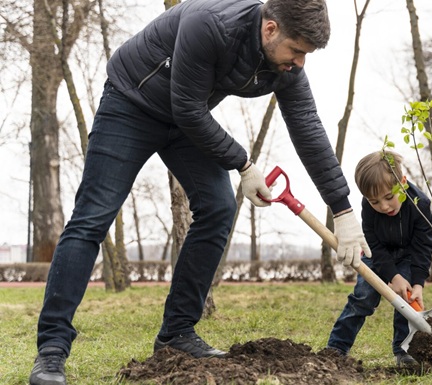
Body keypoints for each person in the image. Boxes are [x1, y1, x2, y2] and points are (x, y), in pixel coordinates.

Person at [29, 1, 371, 384]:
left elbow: (307, 127)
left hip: (186, 118)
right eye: (297, 51)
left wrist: (342, 209)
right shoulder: (209, 24)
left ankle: (177, 333)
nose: (299, 63)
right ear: (271, 29)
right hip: (131, 104)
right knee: (93, 216)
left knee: (219, 207)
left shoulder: (284, 66)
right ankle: (52, 350)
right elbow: (189, 107)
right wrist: (244, 163)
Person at [325, 150, 432, 367]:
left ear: (402, 182)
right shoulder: (369, 206)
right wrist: (391, 275)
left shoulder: (420, 204)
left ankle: (404, 351)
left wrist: (418, 282)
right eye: (374, 201)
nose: (383, 207)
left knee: (406, 300)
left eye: (388, 197)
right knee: (363, 298)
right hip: (376, 255)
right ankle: (336, 347)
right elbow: (373, 243)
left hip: (407, 257)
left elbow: (422, 247)